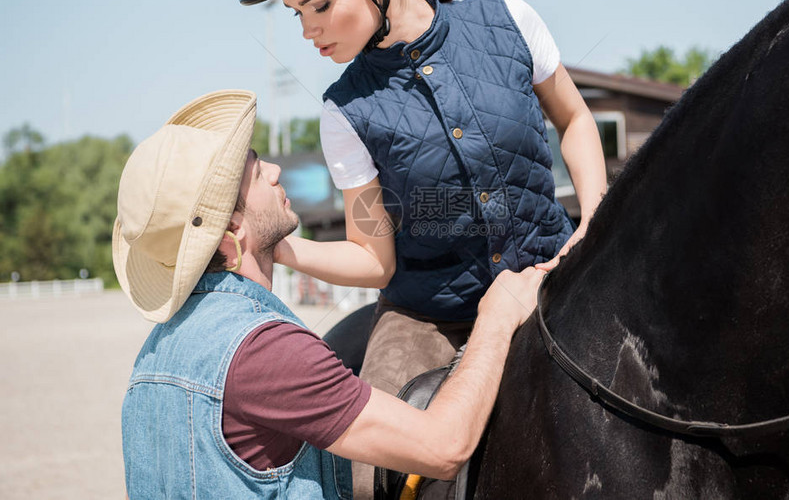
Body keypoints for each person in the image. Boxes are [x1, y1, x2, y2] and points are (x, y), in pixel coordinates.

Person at [239, 0, 606, 495]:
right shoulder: (343, 111)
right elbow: (374, 259)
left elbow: (576, 120)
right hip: (430, 317)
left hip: (555, 273)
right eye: (297, 14)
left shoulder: (509, 18)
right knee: (366, 483)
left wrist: (592, 221)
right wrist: (277, 245)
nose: (309, 31)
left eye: (319, 4)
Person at [115, 90, 544, 499]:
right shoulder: (266, 351)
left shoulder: (154, 355)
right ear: (231, 231)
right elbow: (444, 447)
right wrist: (497, 316)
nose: (275, 171)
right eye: (256, 171)